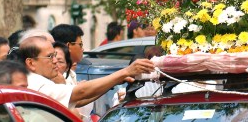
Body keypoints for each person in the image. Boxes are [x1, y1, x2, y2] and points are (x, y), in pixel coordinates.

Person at [16, 36, 155, 110]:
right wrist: (124, 72)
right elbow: (80, 93)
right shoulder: (35, 83)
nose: (55, 61)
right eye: (49, 57)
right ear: (30, 63)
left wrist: (117, 79)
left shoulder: (40, 80)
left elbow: (80, 100)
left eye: (55, 56)